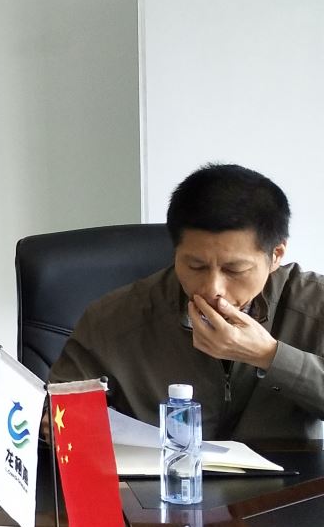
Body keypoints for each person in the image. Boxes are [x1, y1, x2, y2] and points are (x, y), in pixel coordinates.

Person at [50, 163, 324, 440]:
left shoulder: (315, 304)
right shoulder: (114, 319)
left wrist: (268, 355)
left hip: (289, 469)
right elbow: (57, 417)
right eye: (196, 266)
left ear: (276, 255)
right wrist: (56, 423)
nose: (213, 289)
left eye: (234, 270)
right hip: (160, 467)